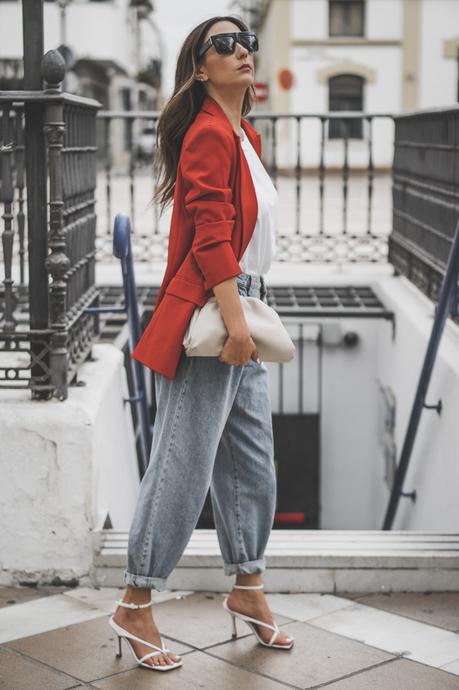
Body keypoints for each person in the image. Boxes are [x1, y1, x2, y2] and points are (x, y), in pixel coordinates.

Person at [108, 15, 294, 671]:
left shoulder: (243, 131)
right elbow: (211, 233)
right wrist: (234, 320)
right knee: (182, 463)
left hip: (241, 299)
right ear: (198, 66)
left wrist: (244, 308)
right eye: (224, 44)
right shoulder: (207, 133)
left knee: (250, 459)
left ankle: (247, 585)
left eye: (246, 40)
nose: (241, 49)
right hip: (215, 311)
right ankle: (135, 599)